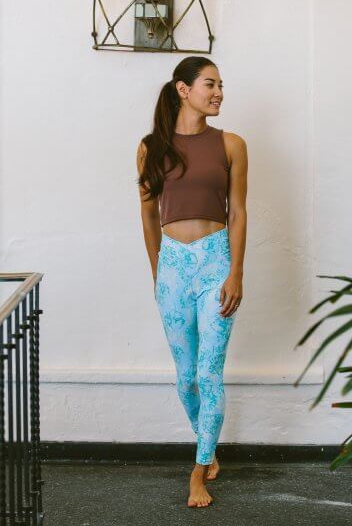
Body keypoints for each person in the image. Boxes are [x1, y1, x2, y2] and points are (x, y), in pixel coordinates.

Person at [136, 56, 248, 508]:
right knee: (185, 379)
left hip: (216, 261)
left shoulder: (231, 144)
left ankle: (198, 470)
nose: (219, 92)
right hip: (173, 266)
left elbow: (238, 212)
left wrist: (236, 272)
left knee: (209, 372)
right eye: (210, 84)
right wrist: (158, 271)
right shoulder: (150, 147)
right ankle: (209, 443)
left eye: (221, 85)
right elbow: (148, 214)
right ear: (184, 89)